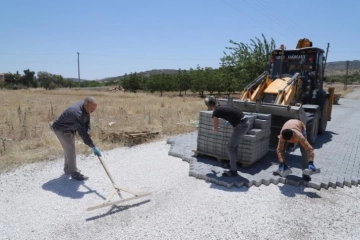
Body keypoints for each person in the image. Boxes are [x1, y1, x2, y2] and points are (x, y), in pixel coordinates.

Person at [51, 96, 102, 181]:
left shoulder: (85, 105)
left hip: (69, 128)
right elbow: (82, 132)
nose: (93, 110)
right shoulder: (77, 113)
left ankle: (68, 169)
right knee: (71, 151)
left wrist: (88, 129)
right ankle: (74, 174)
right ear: (86, 105)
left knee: (68, 150)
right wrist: (93, 146)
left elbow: (87, 118)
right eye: (92, 108)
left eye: (94, 108)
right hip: (62, 130)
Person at [206, 96, 249, 177]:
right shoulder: (222, 106)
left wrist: (215, 129)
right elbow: (232, 113)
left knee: (230, 147)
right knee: (234, 146)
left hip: (241, 125)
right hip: (244, 122)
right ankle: (232, 164)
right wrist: (228, 121)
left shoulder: (216, 112)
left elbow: (215, 128)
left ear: (210, 106)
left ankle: (233, 171)